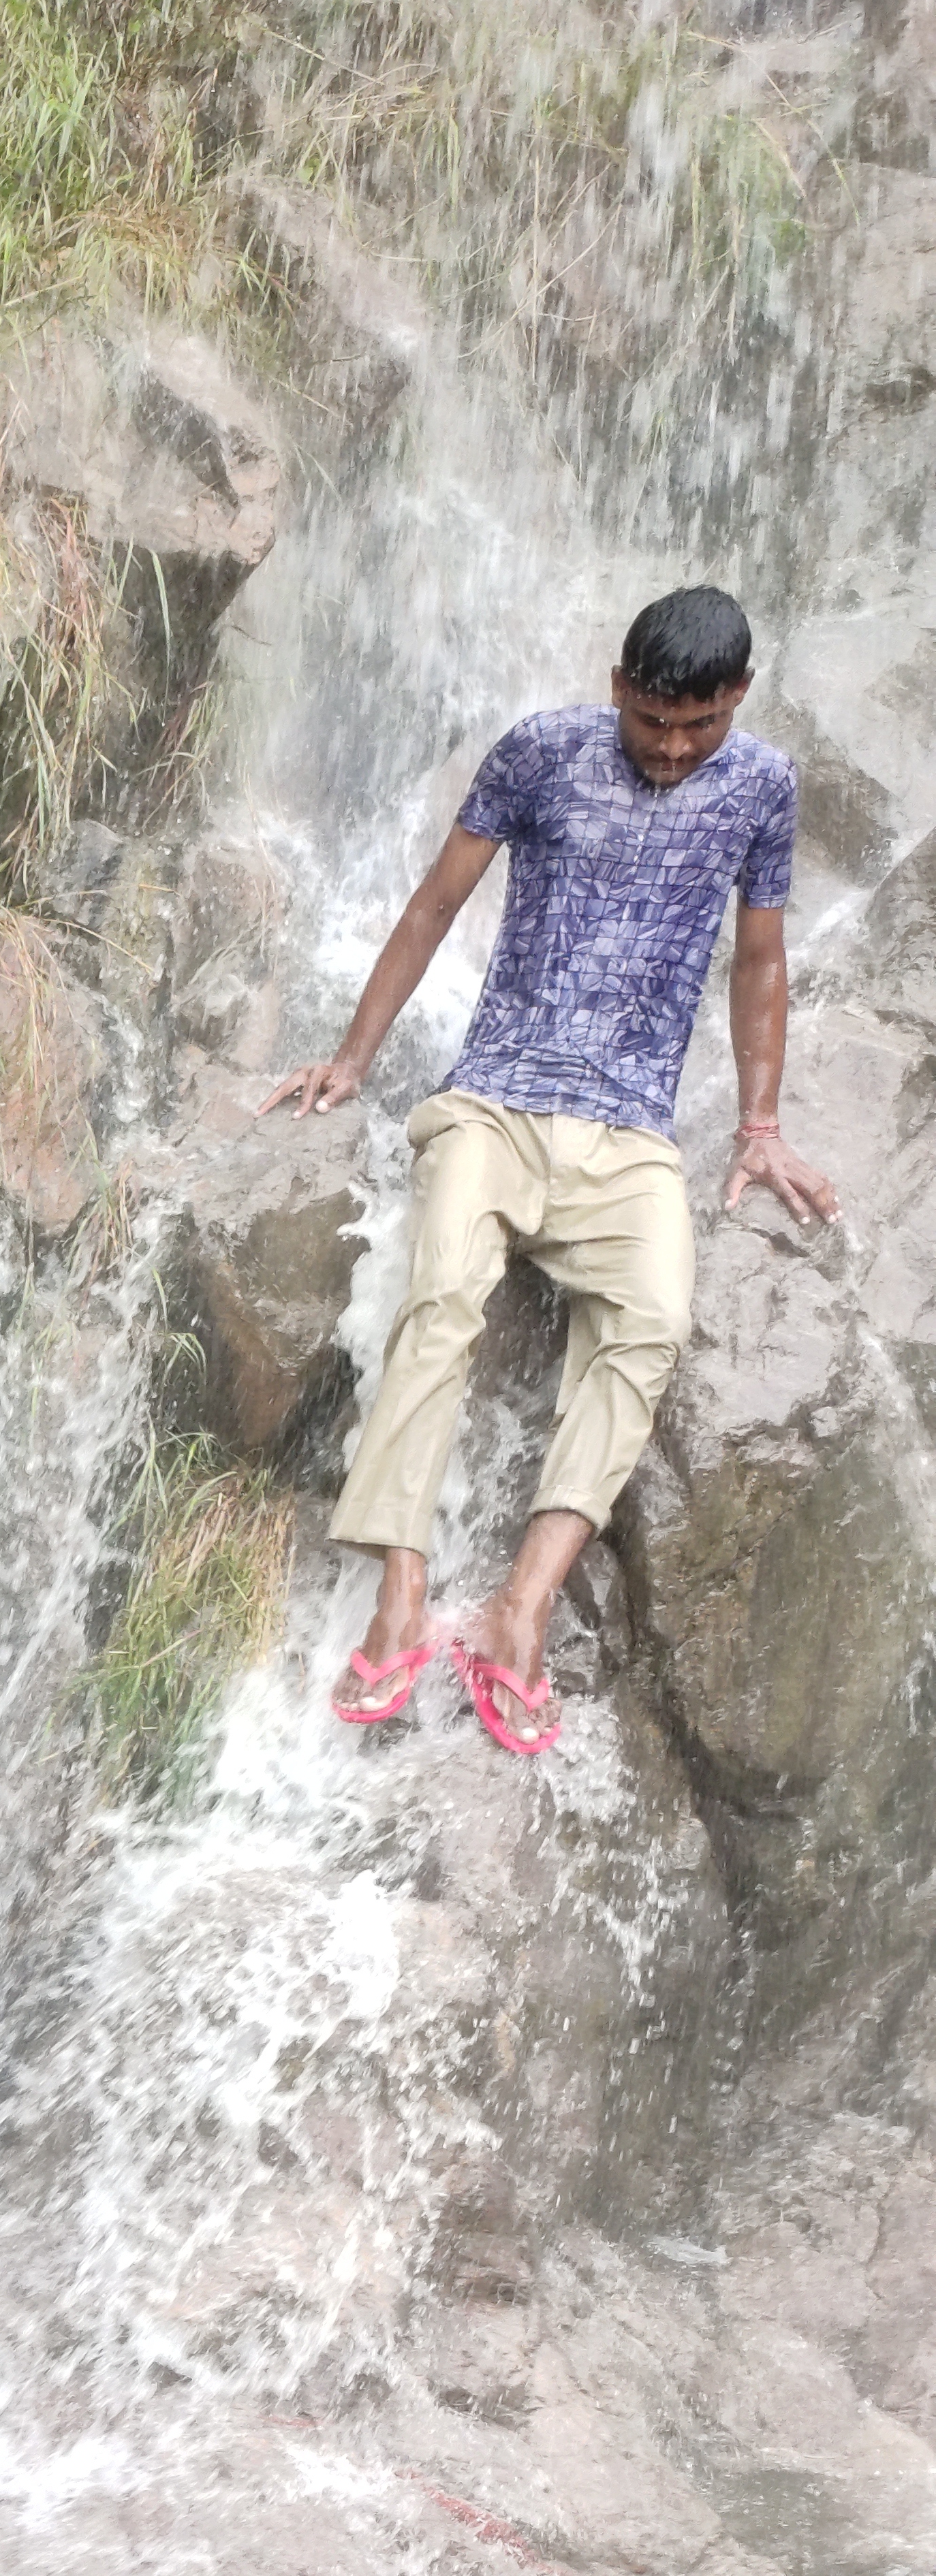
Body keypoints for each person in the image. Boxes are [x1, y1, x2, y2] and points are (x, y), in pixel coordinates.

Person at [264, 581, 839, 1755]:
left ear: (737, 700)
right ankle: (401, 1593)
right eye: (653, 722)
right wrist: (354, 1057)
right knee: (441, 1299)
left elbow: (760, 961)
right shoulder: (540, 750)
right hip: (497, 1100)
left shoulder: (764, 786)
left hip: (633, 1135)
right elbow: (435, 904)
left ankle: (521, 1606)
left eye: (701, 726)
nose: (675, 750)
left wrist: (762, 1123)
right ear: (619, 685)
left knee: (653, 1323)